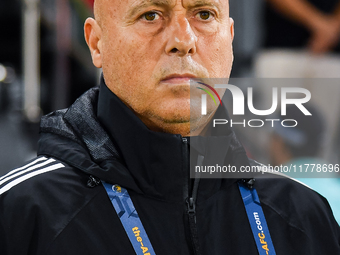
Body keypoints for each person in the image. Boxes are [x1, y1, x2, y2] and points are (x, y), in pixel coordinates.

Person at [0, 0, 339, 254]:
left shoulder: (303, 216)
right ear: (96, 43)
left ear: (230, 38)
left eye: (204, 14)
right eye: (150, 14)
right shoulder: (23, 214)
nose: (183, 39)